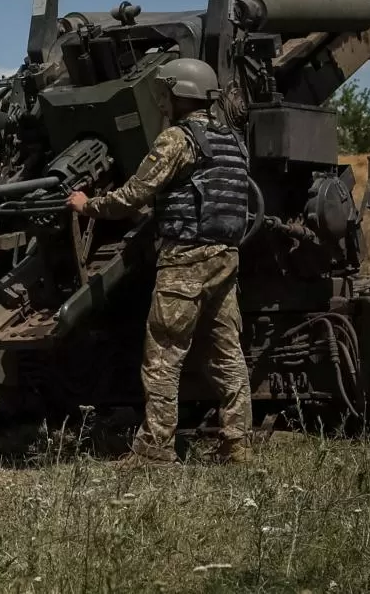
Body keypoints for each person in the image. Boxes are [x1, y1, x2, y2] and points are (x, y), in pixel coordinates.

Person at [67, 58, 254, 466]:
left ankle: (155, 450)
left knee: (163, 354)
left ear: (177, 95)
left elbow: (134, 193)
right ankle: (237, 446)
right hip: (226, 258)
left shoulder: (177, 139)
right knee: (227, 354)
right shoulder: (234, 141)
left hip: (184, 260)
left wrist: (88, 205)